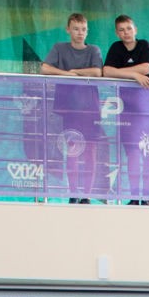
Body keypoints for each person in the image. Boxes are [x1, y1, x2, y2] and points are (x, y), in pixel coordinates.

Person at [40, 13, 105, 204]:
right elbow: (45, 68)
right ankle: (74, 193)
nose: (80, 33)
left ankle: (87, 195)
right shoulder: (59, 48)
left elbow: (97, 72)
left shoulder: (93, 50)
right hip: (69, 110)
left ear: (87, 31)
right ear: (68, 30)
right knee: (72, 152)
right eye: (76, 29)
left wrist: (75, 72)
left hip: (90, 109)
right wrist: (65, 74)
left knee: (90, 152)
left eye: (83, 29)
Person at [102, 15, 149, 205]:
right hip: (127, 109)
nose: (126, 32)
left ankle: (147, 196)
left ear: (135, 29)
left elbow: (146, 68)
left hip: (148, 108)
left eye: (129, 28)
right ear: (117, 33)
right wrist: (134, 74)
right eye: (121, 30)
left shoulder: (144, 45)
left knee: (148, 153)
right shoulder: (116, 48)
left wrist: (126, 72)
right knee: (132, 153)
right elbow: (107, 71)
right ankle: (134, 196)